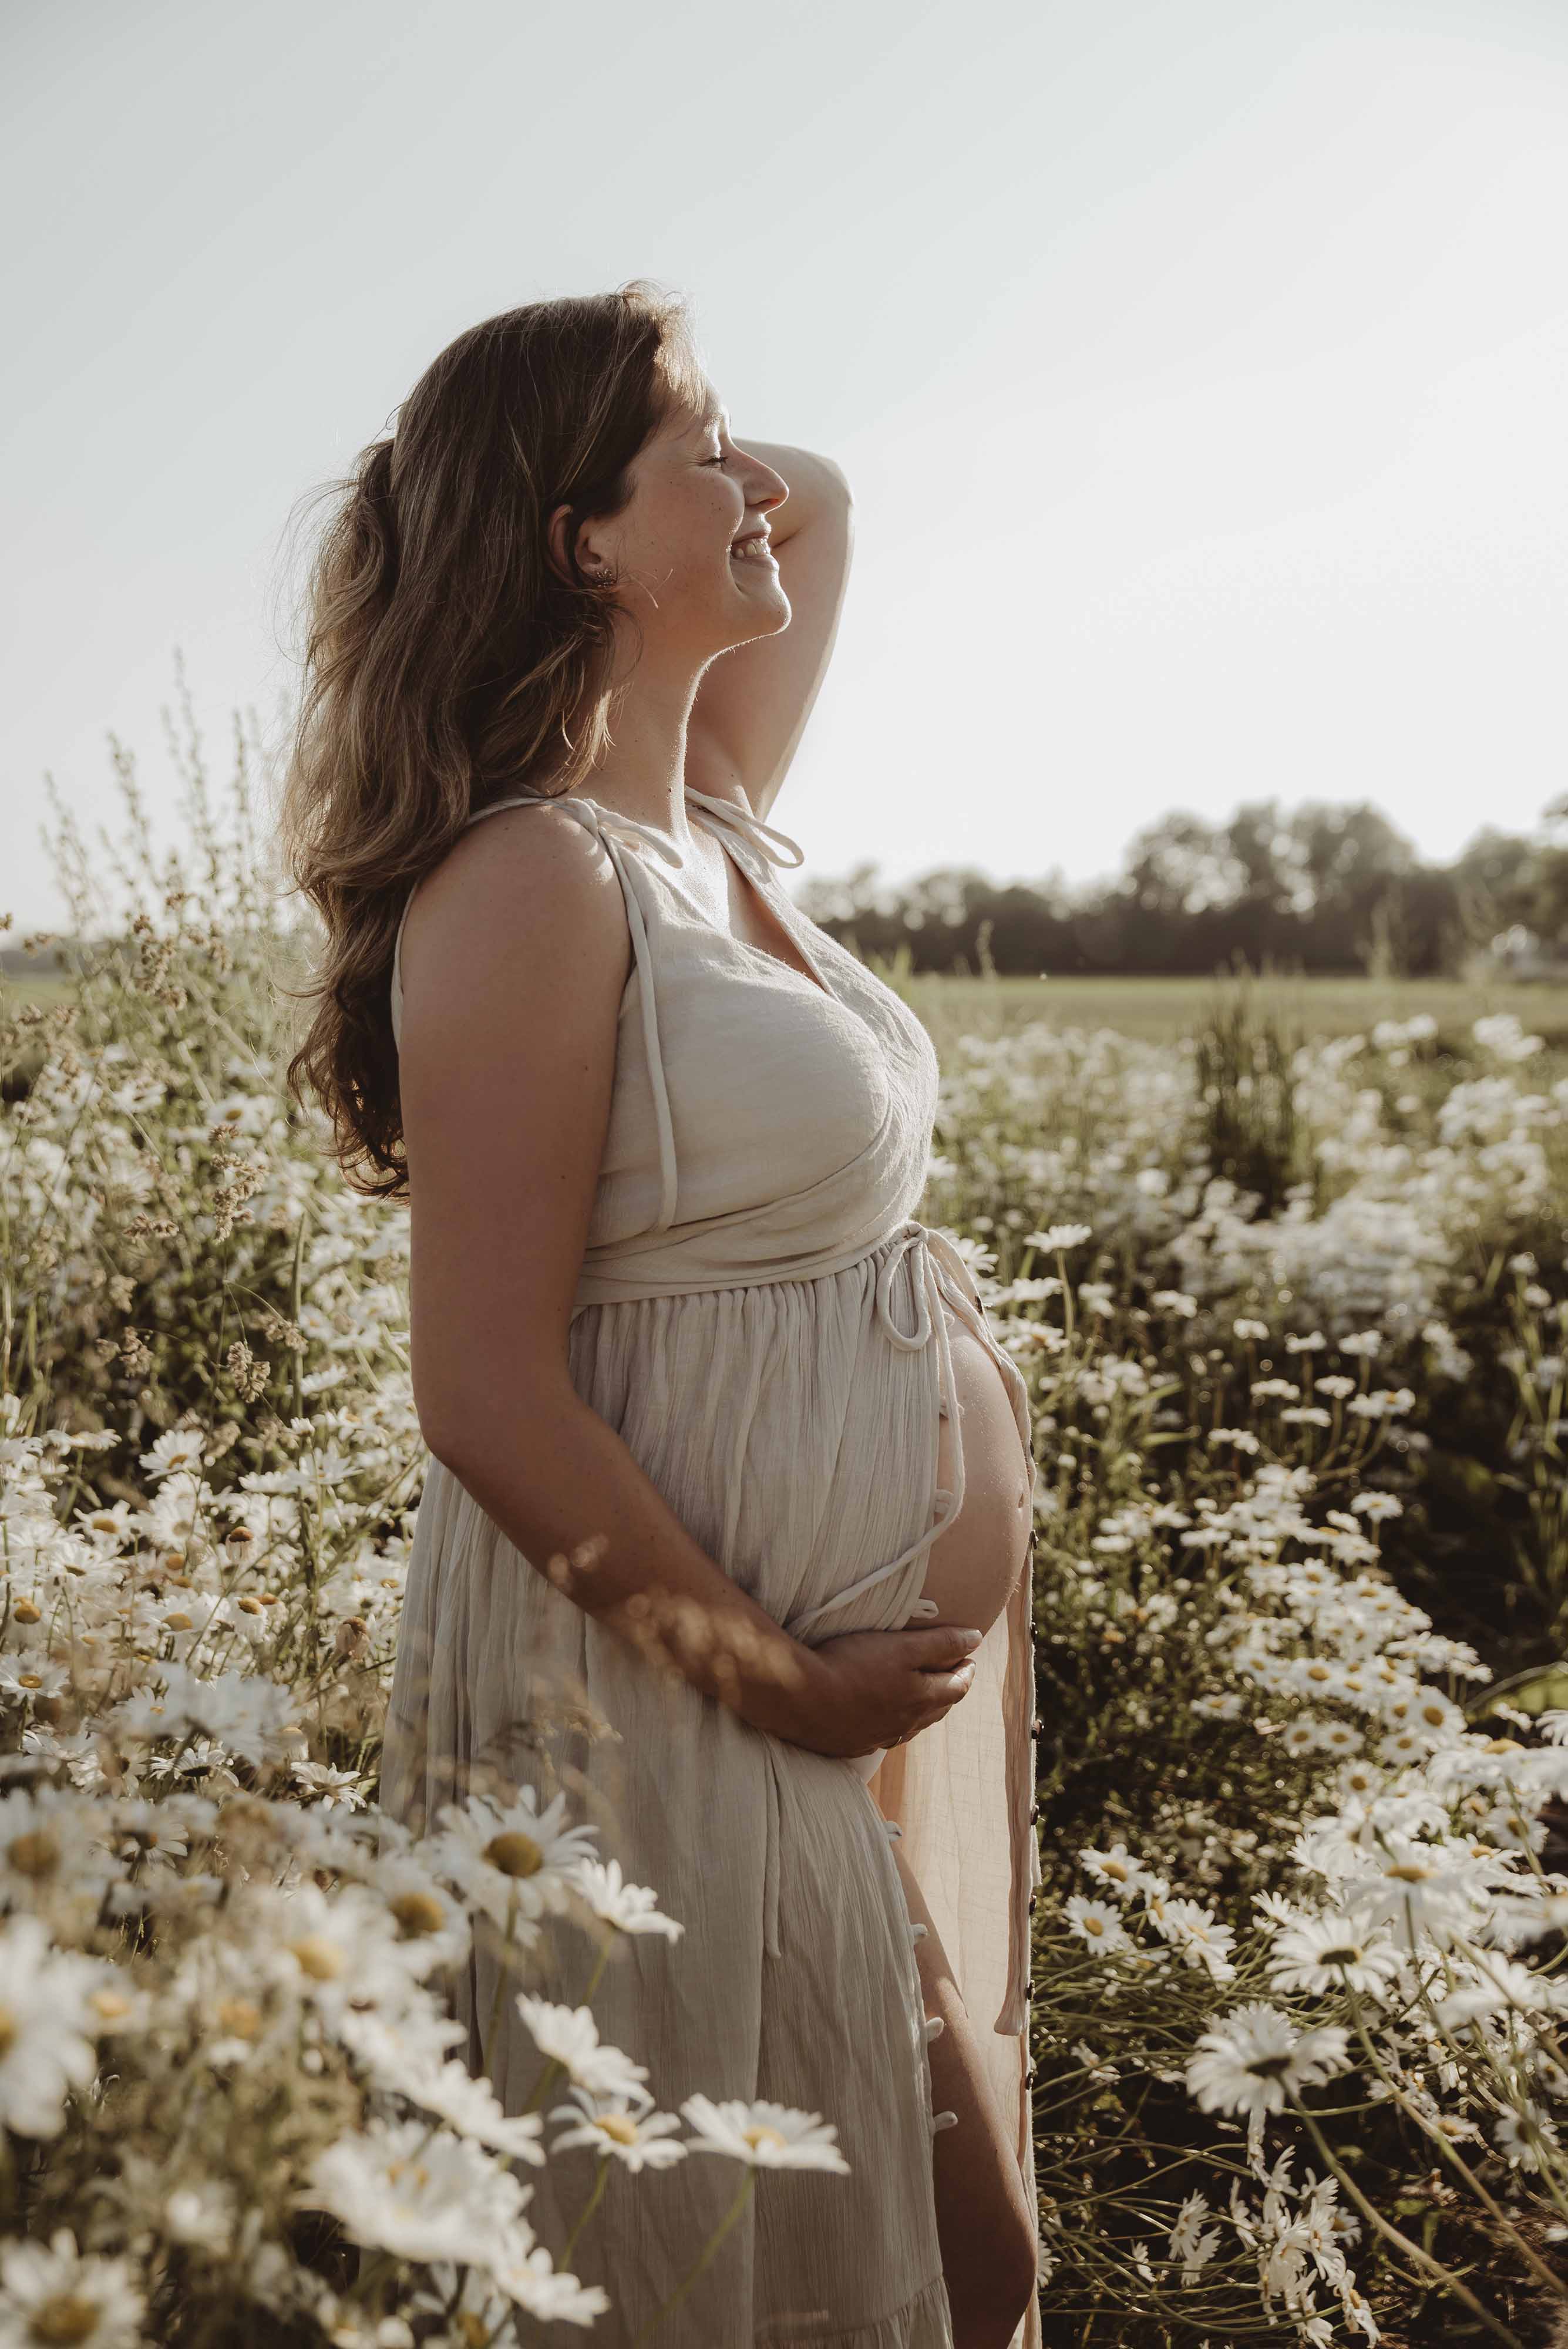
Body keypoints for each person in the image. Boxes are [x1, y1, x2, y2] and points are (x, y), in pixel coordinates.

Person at [280, 278, 1041, 2348]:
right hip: (667, 1699)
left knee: (956, 2264)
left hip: (797, 1704)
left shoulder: (698, 819)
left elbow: (825, 495)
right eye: (692, 456)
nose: (754, 489)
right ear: (580, 544)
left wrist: (670, 447)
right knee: (737, 2279)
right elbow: (486, 1392)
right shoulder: (534, 882)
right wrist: (776, 1681)